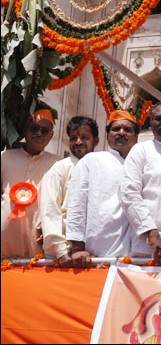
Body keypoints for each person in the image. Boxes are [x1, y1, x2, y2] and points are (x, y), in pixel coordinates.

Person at [66, 110, 139, 268]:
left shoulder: (142, 165)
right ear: (107, 136)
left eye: (127, 129)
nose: (121, 133)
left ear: (136, 137)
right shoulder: (92, 160)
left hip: (138, 258)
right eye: (115, 129)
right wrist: (77, 248)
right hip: (97, 257)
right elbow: (76, 204)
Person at [119, 102, 161, 265]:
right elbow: (129, 194)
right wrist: (151, 234)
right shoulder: (141, 150)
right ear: (151, 122)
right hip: (149, 249)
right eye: (159, 118)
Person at [40, 116, 99, 267]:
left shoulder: (102, 167)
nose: (78, 142)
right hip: (64, 254)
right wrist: (60, 250)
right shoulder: (60, 168)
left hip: (96, 253)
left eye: (84, 137)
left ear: (96, 141)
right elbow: (50, 209)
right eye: (73, 138)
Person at [1, 109, 60, 258]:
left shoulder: (58, 164)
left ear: (50, 137)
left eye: (45, 131)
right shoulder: (4, 157)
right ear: (26, 130)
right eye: (34, 128)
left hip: (38, 251)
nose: (39, 133)